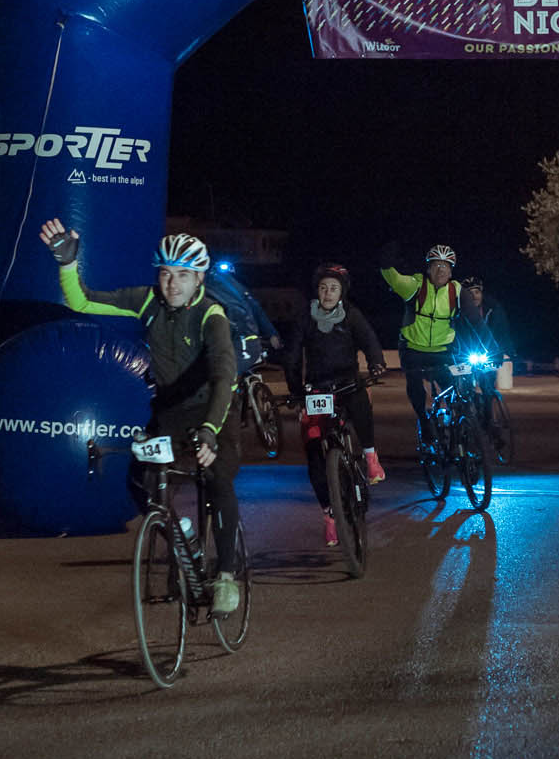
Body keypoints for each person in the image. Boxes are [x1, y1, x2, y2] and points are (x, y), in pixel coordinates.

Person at [38, 218, 243, 614]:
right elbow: (81, 302)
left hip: (213, 412)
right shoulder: (147, 300)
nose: (172, 284)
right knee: (141, 482)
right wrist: (67, 264)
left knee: (218, 479)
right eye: (166, 273)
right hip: (169, 413)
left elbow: (224, 376)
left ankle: (226, 575)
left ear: (199, 278)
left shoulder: (211, 315)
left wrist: (210, 431)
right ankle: (184, 537)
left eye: (183, 275)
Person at [282, 263, 387, 546]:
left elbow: (369, 340)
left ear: (342, 292)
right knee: (313, 450)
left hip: (346, 382)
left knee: (360, 400)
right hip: (316, 389)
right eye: (323, 288)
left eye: (333, 288)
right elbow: (292, 357)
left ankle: (370, 457)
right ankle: (329, 515)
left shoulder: (351, 315)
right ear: (317, 291)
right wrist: (296, 392)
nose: (328, 293)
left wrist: (376, 363)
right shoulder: (305, 318)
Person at [379, 242, 461, 451]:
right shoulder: (415, 286)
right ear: (428, 269)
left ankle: (458, 434)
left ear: (451, 271)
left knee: (458, 389)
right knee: (415, 384)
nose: (441, 270)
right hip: (413, 349)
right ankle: (424, 421)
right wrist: (387, 256)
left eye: (445, 265)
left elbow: (475, 321)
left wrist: (494, 346)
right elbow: (391, 276)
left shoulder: (456, 291)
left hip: (442, 351)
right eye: (436, 265)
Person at [456, 275, 516, 429]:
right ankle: (466, 417)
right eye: (469, 293)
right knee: (464, 387)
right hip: (467, 353)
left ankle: (489, 421)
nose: (474, 296)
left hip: (488, 353)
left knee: (487, 385)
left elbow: (502, 332)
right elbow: (457, 335)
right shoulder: (458, 312)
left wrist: (506, 351)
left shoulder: (493, 309)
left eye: (477, 292)